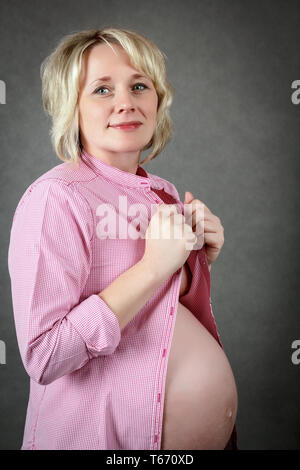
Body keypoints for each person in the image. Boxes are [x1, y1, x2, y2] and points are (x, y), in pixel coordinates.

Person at [8, 27, 238, 450]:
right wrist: (153, 268)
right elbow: (44, 355)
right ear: (70, 107)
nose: (126, 102)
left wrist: (196, 264)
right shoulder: (55, 198)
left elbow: (158, 319)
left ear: (158, 100)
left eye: (139, 86)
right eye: (101, 90)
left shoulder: (162, 192)